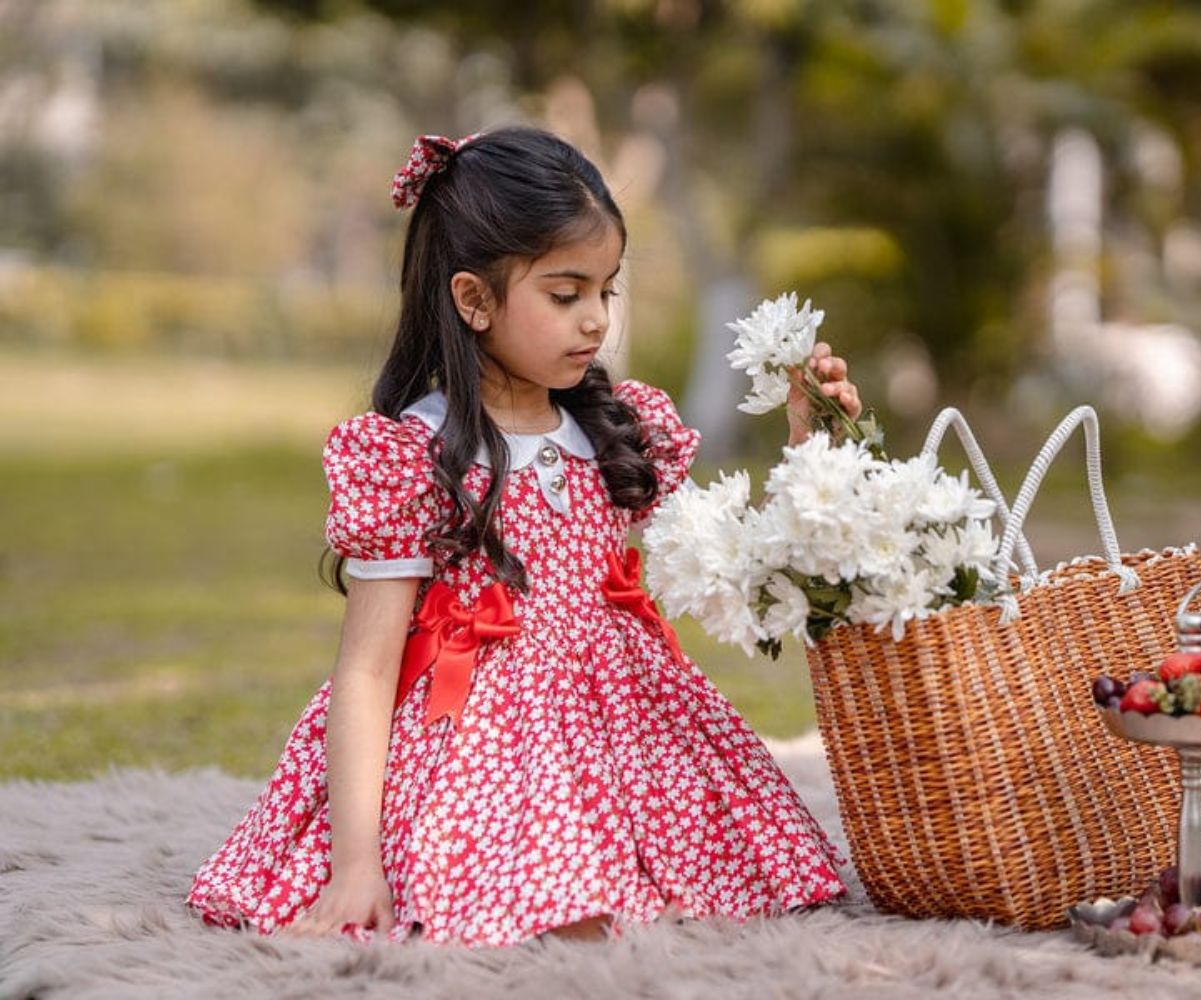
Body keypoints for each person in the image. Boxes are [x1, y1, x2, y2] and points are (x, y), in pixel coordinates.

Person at [184, 126, 864, 948]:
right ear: (474, 300)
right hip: (479, 735)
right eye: (566, 293)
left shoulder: (622, 428)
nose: (596, 323)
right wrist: (354, 864)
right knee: (553, 909)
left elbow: (744, 562)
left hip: (622, 721)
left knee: (737, 870)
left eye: (607, 291)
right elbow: (366, 670)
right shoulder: (416, 455)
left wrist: (807, 436)